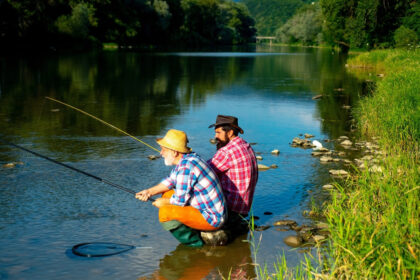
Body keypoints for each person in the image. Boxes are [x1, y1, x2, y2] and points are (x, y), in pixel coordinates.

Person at [136, 129, 227, 247]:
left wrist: (162, 203)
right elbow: (169, 181)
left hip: (212, 217)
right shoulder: (188, 159)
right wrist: (148, 192)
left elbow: (179, 201)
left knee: (164, 213)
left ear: (174, 152)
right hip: (209, 209)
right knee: (167, 193)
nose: (161, 153)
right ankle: (195, 232)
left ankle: (196, 245)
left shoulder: (186, 167)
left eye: (164, 149)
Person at [207, 115, 258, 240]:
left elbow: (203, 173)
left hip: (231, 209)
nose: (215, 136)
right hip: (244, 208)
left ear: (230, 132)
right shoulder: (245, 145)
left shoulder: (226, 152)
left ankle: (198, 240)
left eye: (218, 132)